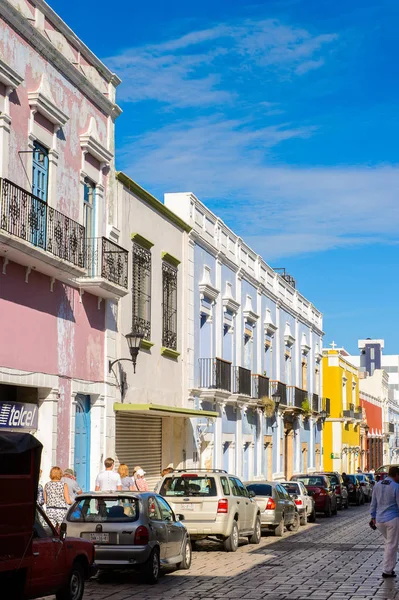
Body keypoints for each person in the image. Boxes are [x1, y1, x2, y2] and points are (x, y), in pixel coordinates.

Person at [370, 465, 399, 578]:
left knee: (389, 543)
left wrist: (373, 517)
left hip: (379, 520)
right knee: (392, 544)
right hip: (392, 519)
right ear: (396, 475)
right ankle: (387, 571)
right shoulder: (396, 486)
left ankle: (388, 568)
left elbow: (373, 503)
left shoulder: (377, 485)